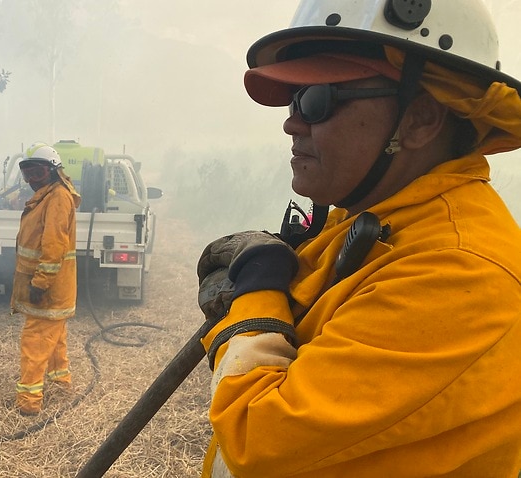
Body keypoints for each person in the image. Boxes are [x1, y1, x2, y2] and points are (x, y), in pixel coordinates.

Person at [195, 1, 521, 476]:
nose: (292, 122)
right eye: (294, 99)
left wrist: (256, 296)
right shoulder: (374, 226)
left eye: (317, 100)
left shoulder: (457, 271)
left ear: (420, 121)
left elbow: (257, 437)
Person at [10, 142, 81, 416]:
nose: (31, 180)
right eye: (27, 174)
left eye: (37, 173)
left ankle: (28, 402)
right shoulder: (47, 195)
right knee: (55, 336)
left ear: (53, 171)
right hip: (51, 285)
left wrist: (40, 283)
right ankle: (60, 383)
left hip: (49, 286)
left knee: (36, 340)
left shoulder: (57, 198)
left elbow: (53, 246)